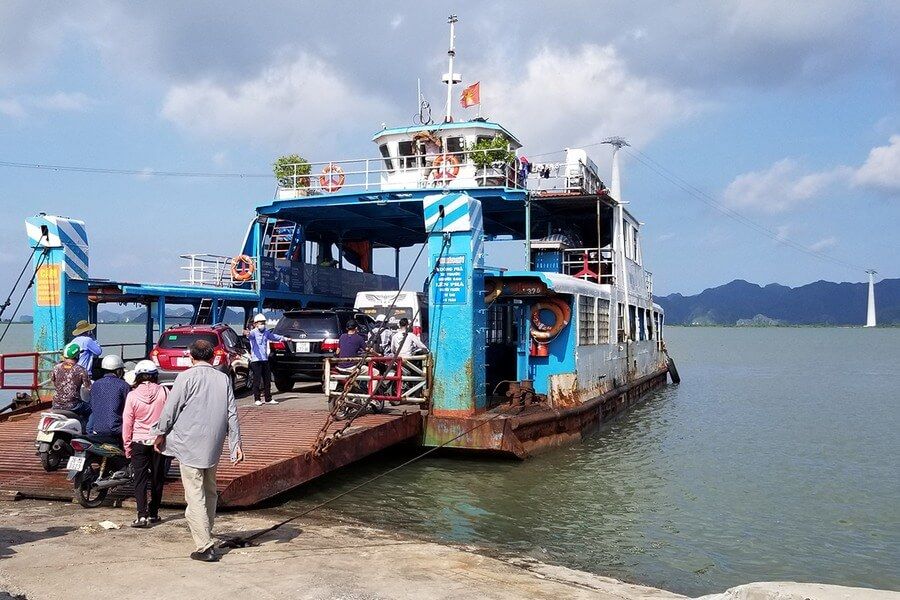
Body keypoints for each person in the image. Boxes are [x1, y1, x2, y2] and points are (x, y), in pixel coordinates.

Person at [152, 339, 243, 563]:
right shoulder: (223, 378)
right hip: (213, 446)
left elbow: (171, 408)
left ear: (191, 357)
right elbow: (232, 413)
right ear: (213, 358)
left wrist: (160, 432)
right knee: (210, 491)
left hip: (189, 445)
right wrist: (236, 445)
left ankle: (205, 545)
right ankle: (206, 532)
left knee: (195, 495)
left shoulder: (185, 377)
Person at [122, 360, 169, 528]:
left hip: (139, 441)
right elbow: (169, 417)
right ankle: (154, 513)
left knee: (140, 479)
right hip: (159, 441)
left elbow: (127, 423)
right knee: (157, 478)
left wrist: (127, 446)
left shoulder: (132, 395)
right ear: (155, 375)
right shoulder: (164, 391)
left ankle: (142, 516)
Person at [243, 313, 286, 406]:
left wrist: (285, 338)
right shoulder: (253, 332)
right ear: (255, 324)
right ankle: (257, 399)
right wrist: (247, 333)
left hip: (265, 359)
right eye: (260, 323)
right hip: (256, 360)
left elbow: (274, 337)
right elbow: (249, 336)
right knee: (257, 380)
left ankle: (268, 398)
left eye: (263, 323)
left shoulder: (266, 332)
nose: (262, 324)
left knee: (267, 379)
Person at [86, 355, 130, 438]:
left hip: (97, 429)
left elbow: (92, 405)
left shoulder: (95, 384)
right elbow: (128, 408)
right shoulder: (123, 385)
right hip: (117, 430)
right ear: (118, 371)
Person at [50, 342, 92, 419]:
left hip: (56, 404)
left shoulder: (56, 368)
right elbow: (89, 388)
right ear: (77, 356)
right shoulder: (81, 370)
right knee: (91, 409)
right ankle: (87, 429)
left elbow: (53, 382)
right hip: (73, 405)